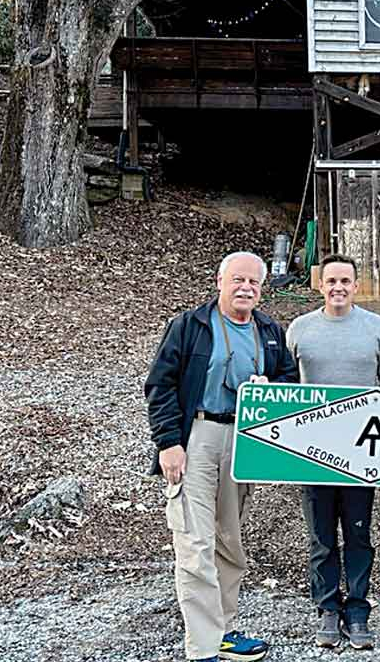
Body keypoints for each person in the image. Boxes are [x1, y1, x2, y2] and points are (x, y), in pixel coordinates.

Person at [145, 252, 299, 662]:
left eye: (254, 282)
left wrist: (272, 385)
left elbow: (289, 378)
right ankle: (202, 648)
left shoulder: (268, 329)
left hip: (243, 439)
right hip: (196, 437)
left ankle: (224, 629)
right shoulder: (190, 326)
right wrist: (168, 442)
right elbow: (160, 384)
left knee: (229, 542)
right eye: (238, 280)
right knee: (195, 543)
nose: (246, 288)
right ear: (220, 281)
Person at [286, 254, 380, 651]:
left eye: (345, 281)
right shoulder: (301, 329)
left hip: (361, 453)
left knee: (357, 533)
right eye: (331, 280)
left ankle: (357, 608)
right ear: (321, 284)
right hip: (311, 451)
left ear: (356, 285)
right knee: (320, 535)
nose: (338, 287)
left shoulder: (376, 327)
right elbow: (283, 388)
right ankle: (327, 607)